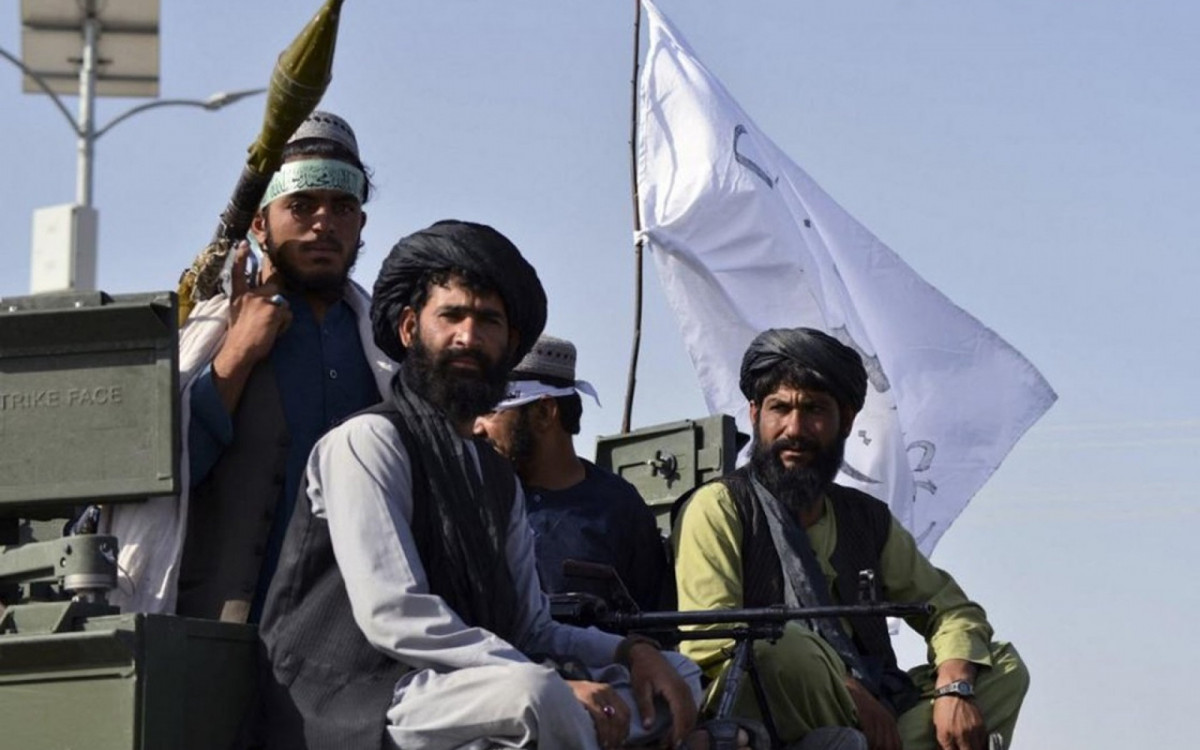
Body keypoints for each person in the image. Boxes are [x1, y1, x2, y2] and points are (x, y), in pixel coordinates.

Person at [257, 220, 703, 750]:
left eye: (488, 321)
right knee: (536, 694)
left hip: (468, 689)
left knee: (677, 674)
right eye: (451, 316)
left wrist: (632, 652)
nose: (468, 337)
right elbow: (395, 616)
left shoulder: (495, 476)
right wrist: (553, 684)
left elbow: (533, 628)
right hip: (357, 696)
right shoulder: (368, 441)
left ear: (510, 344)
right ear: (409, 328)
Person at [672, 328, 1030, 750]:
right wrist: (847, 690)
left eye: (814, 409)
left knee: (1003, 667)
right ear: (755, 415)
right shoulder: (720, 506)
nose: (794, 428)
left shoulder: (865, 519)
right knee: (774, 644)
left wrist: (955, 686)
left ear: (846, 420)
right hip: (768, 710)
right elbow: (712, 641)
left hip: (878, 703)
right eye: (779, 408)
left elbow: (949, 609)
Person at [126, 111, 395, 622]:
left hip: (353, 634)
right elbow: (165, 474)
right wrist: (238, 353)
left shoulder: (384, 350)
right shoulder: (207, 335)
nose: (323, 223)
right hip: (224, 633)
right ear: (259, 224)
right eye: (301, 205)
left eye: (342, 207)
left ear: (361, 225)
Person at [473, 334, 669, 613]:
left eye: (491, 410)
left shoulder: (619, 507)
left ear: (544, 412)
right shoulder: (473, 499)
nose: (476, 428)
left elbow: (652, 620)